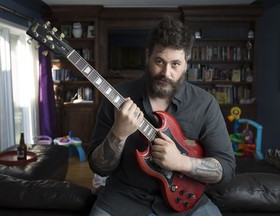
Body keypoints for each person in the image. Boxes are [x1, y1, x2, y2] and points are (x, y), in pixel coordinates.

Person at [87, 16, 235, 216]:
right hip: (124, 198)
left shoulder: (205, 104)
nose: (166, 72)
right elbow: (99, 168)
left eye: (175, 64)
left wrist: (181, 162)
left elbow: (226, 168)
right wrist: (118, 134)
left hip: (187, 201)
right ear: (148, 56)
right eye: (159, 61)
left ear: (186, 63)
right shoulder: (117, 99)